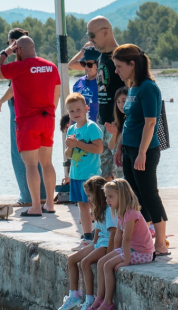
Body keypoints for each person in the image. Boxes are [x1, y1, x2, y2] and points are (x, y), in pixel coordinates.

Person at [0, 35, 61, 218]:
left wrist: (5, 52)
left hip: (28, 121)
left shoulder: (20, 67)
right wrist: (51, 113)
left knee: (30, 165)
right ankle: (50, 204)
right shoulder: (51, 66)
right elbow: (57, 92)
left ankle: (36, 206)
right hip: (48, 119)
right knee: (46, 163)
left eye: (15, 50)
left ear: (18, 50)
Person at [112, 43, 169, 257]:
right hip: (129, 148)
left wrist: (142, 153)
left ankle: (161, 243)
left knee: (149, 194)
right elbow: (129, 121)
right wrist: (120, 148)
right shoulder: (133, 86)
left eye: (119, 66)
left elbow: (150, 123)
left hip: (144, 150)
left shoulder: (148, 87)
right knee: (134, 196)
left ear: (132, 64)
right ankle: (144, 239)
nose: (117, 71)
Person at [0, 27, 45, 207]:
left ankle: (27, 196)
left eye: (10, 44)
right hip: (38, 112)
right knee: (37, 154)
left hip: (20, 111)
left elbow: (1, 77)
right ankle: (41, 194)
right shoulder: (38, 64)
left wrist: (0, 100)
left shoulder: (19, 65)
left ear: (14, 45)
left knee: (19, 153)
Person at [87, 179, 155, 310]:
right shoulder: (121, 213)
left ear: (122, 196)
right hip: (130, 249)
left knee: (107, 265)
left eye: (110, 196)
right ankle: (99, 298)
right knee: (102, 262)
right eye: (106, 197)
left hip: (142, 252)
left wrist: (125, 261)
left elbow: (127, 238)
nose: (107, 200)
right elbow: (118, 236)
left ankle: (108, 303)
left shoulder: (131, 213)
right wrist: (115, 253)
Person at [69, 18, 124, 180]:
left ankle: (128, 206)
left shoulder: (121, 56)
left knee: (121, 174)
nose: (89, 39)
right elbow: (72, 64)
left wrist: (123, 126)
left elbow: (133, 90)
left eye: (92, 35)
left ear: (105, 32)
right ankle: (109, 206)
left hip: (118, 125)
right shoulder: (99, 57)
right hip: (102, 124)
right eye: (88, 35)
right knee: (104, 175)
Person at [57, 176, 114, 310]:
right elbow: (98, 230)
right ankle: (74, 295)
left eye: (89, 195)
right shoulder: (97, 209)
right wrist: (92, 245)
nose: (87, 198)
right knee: (71, 259)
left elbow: (113, 233)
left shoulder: (109, 210)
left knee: (85, 262)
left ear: (98, 194)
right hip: (99, 243)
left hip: (106, 245)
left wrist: (110, 253)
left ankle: (90, 299)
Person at [63, 92, 105, 240]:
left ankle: (101, 232)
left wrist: (77, 144)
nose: (75, 113)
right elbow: (68, 155)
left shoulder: (91, 127)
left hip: (91, 175)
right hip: (76, 174)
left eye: (78, 109)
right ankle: (87, 234)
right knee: (82, 206)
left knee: (95, 205)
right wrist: (70, 147)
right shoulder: (71, 129)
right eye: (71, 111)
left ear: (86, 108)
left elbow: (99, 149)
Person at [72, 48, 100, 123]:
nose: (86, 67)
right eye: (84, 64)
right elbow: (72, 107)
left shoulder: (103, 83)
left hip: (95, 129)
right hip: (78, 130)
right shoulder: (78, 83)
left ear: (98, 64)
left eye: (89, 64)